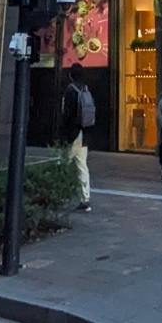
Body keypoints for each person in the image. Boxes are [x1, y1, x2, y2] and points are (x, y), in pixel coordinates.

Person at [58, 62, 96, 211]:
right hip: (85, 133)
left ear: (70, 75)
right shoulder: (85, 89)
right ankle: (85, 199)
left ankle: (57, 195)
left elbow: (67, 114)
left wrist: (62, 134)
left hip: (73, 134)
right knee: (82, 166)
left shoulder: (70, 90)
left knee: (62, 164)